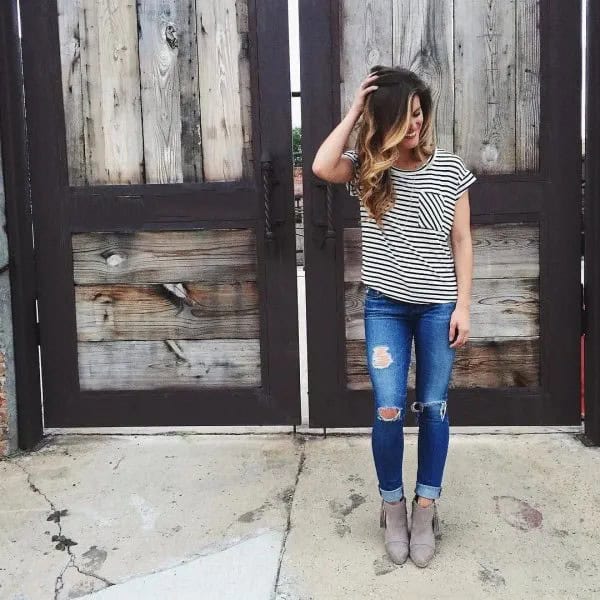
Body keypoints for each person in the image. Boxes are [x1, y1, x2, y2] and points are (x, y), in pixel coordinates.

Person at [311, 65, 476, 568]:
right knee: (387, 407)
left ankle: (426, 506)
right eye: (404, 119)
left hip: (437, 308)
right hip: (384, 307)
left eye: (419, 116)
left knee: (433, 407)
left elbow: (462, 240)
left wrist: (464, 305)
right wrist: (355, 110)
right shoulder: (367, 167)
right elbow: (320, 167)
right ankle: (392, 506)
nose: (414, 127)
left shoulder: (450, 169)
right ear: (383, 122)